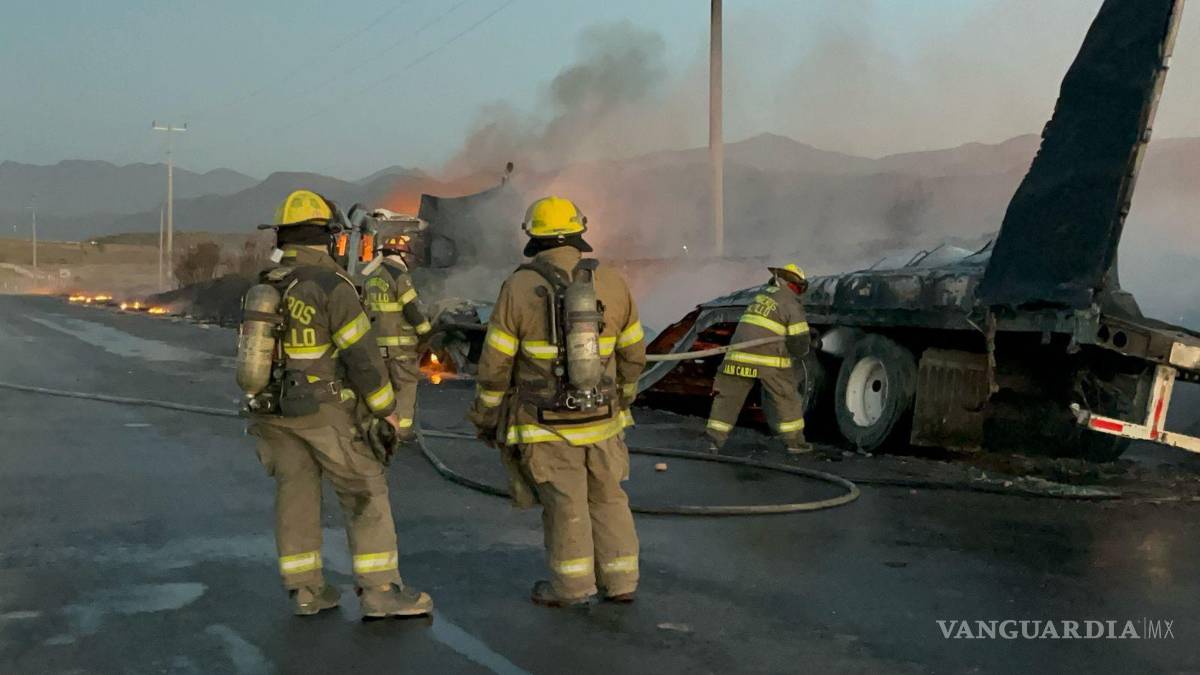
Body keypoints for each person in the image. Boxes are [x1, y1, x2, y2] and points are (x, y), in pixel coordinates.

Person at [245, 189, 432, 618]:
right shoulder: (333, 286)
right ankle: (381, 592)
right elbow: (363, 359)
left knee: (296, 496)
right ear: (330, 238)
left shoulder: (266, 286)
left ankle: (306, 591)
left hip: (273, 412)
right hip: (324, 409)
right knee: (364, 489)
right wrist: (385, 409)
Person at [468, 196, 647, 607]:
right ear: (579, 233)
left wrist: (486, 415)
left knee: (566, 503)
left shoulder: (518, 287)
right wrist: (623, 396)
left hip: (546, 423)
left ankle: (571, 587)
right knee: (609, 497)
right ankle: (621, 583)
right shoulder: (613, 282)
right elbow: (634, 354)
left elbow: (495, 365)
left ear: (533, 237)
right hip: (603, 419)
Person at [705, 264, 814, 454]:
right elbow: (799, 342)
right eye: (798, 288)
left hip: (736, 357)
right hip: (767, 361)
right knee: (787, 398)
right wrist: (802, 350)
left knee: (727, 399)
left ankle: (713, 441)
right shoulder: (790, 302)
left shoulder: (760, 297)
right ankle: (795, 444)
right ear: (794, 285)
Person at [359, 215, 432, 441]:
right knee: (405, 386)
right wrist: (426, 332)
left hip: (376, 344)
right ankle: (402, 431)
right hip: (400, 346)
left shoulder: (371, 278)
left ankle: (376, 428)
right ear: (401, 254)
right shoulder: (400, 277)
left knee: (381, 388)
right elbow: (410, 309)